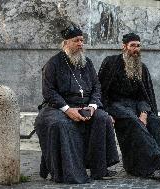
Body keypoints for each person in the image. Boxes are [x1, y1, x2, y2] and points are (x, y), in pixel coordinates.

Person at [34, 22, 119, 184]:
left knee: (102, 118)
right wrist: (67, 110)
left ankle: (99, 169)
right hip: (57, 108)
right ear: (66, 43)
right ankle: (69, 172)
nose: (80, 43)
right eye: (76, 40)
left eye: (82, 40)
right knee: (62, 125)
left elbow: (96, 86)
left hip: (86, 106)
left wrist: (93, 106)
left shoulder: (87, 63)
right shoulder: (53, 63)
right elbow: (49, 92)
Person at [98, 33, 160, 181]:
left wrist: (144, 112)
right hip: (115, 105)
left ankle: (157, 167)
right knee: (134, 122)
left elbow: (144, 96)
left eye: (138, 46)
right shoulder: (110, 63)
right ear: (124, 46)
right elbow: (101, 90)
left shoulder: (142, 68)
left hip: (136, 106)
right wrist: (105, 111)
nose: (136, 49)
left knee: (154, 122)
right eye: (132, 45)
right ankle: (159, 162)